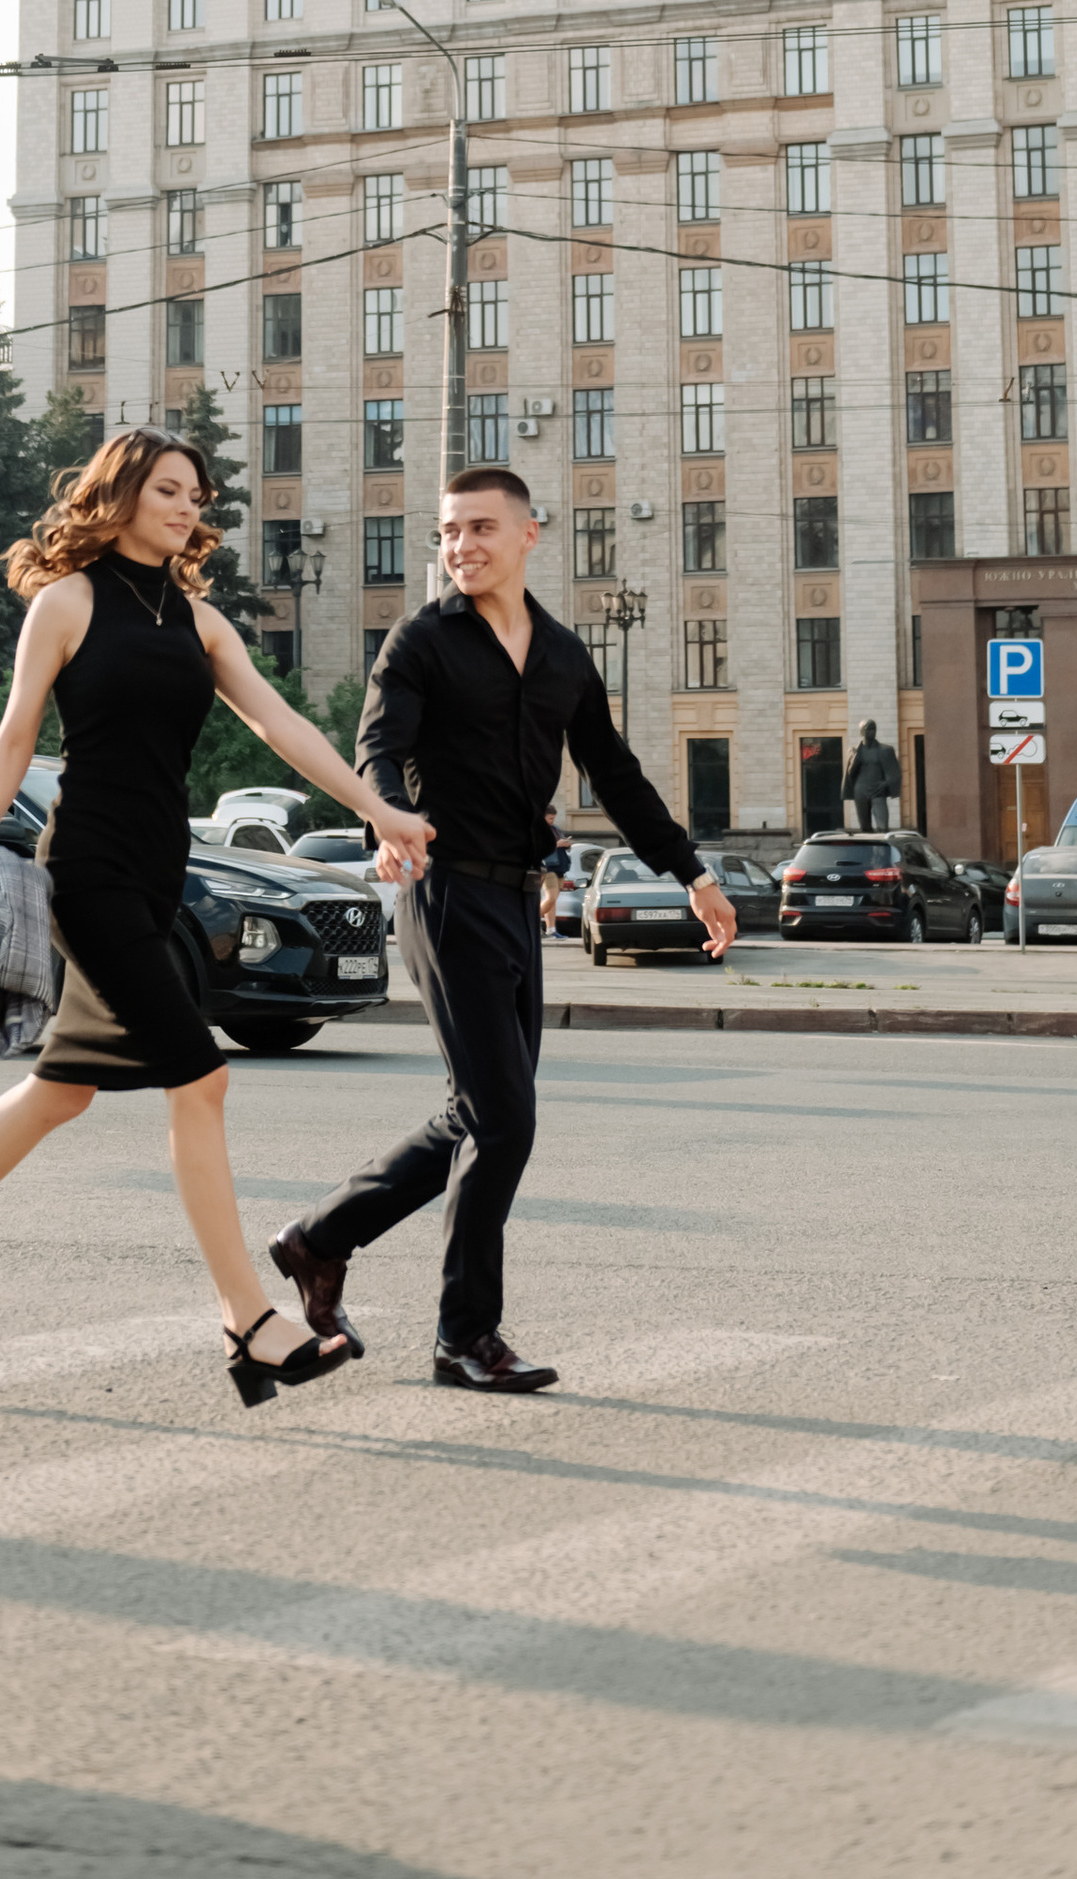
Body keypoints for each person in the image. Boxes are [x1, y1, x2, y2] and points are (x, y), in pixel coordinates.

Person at [0, 425, 434, 1407]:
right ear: (119, 494)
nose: (187, 505)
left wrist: (376, 808)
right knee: (200, 1081)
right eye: (168, 488)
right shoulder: (65, 603)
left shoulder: (199, 620)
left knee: (60, 1093)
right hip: (87, 873)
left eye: (197, 493)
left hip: (160, 878)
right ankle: (248, 1320)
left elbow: (278, 724)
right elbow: (14, 733)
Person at [272, 465, 734, 1393]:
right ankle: (463, 1337)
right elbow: (380, 747)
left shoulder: (563, 655)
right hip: (447, 896)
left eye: (480, 528)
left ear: (529, 535)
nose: (461, 546)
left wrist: (692, 871)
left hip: (521, 902)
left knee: (478, 1116)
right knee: (505, 1121)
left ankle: (321, 1238)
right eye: (448, 532)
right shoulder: (422, 640)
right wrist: (392, 821)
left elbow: (615, 772)